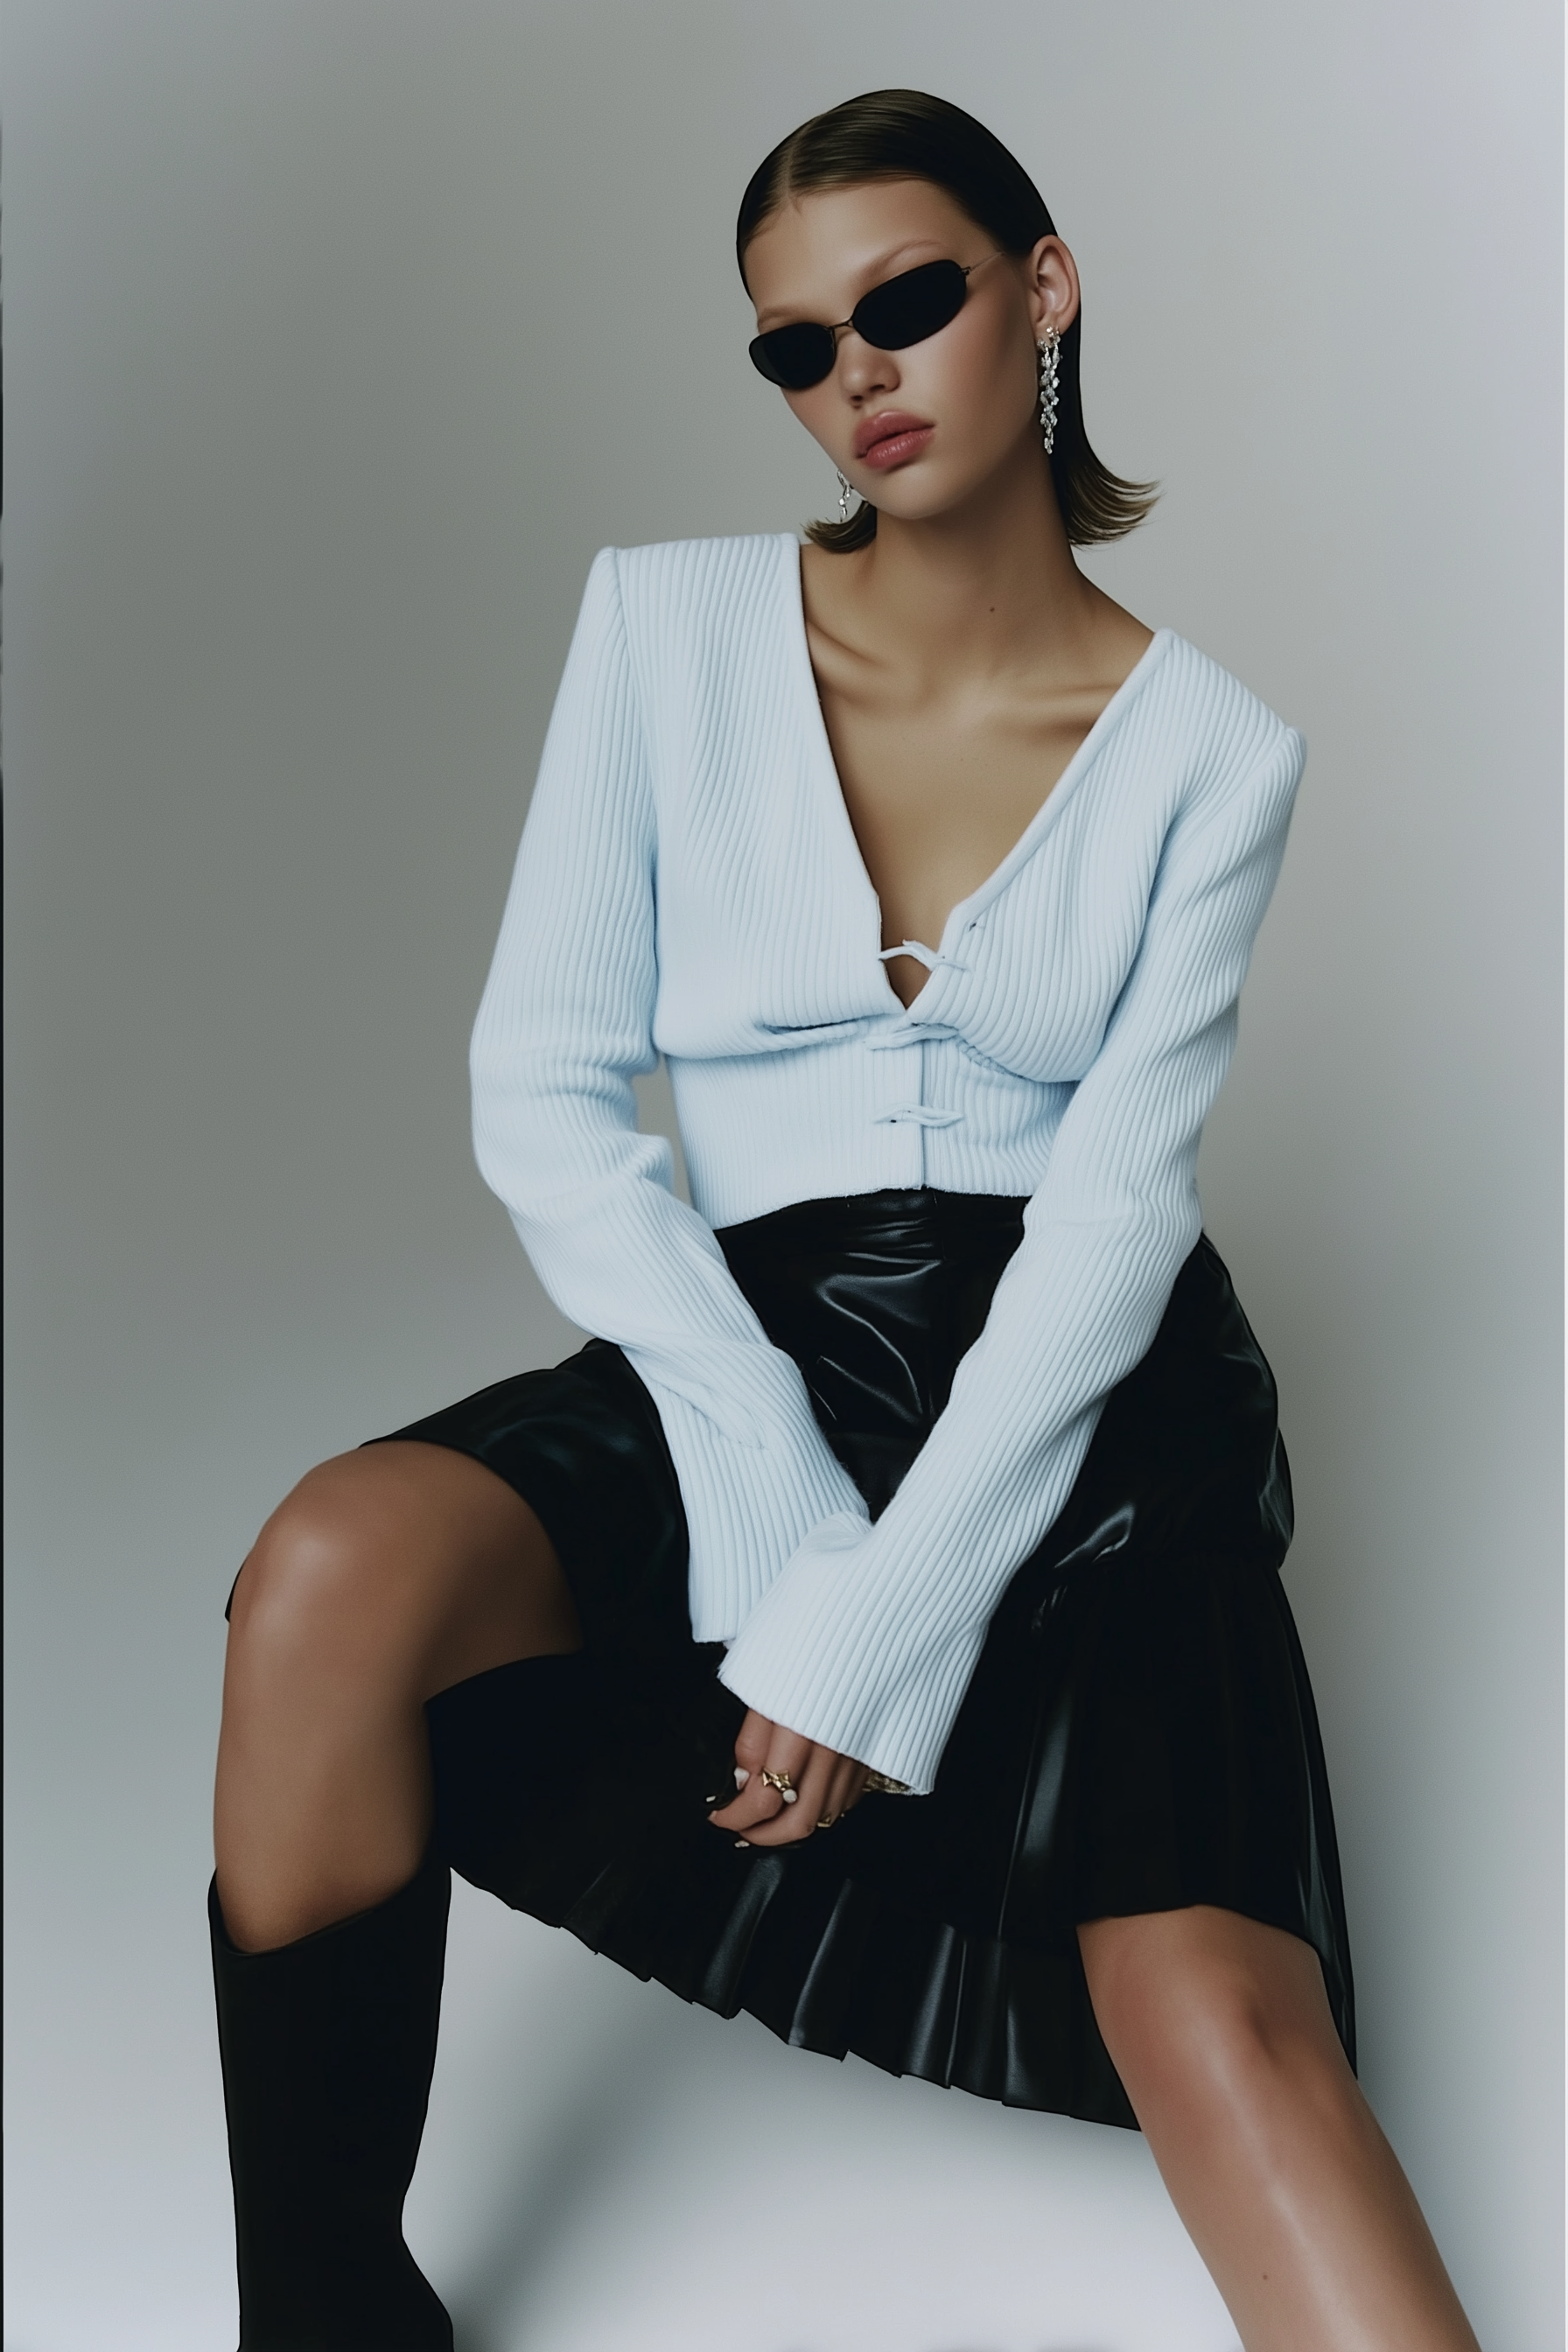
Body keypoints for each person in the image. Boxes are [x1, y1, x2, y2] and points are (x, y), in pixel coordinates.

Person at [209, 88, 1480, 2352]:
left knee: (1221, 2024)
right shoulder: (668, 633)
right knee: (328, 1571)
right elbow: (548, 1090)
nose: (860, 376)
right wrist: (777, 1513)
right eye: (798, 348)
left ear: (1045, 289)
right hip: (758, 1340)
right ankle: (323, 2317)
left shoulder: (1212, 754)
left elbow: (1111, 1217)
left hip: (1089, 1415)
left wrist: (890, 1616)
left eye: (909, 302)